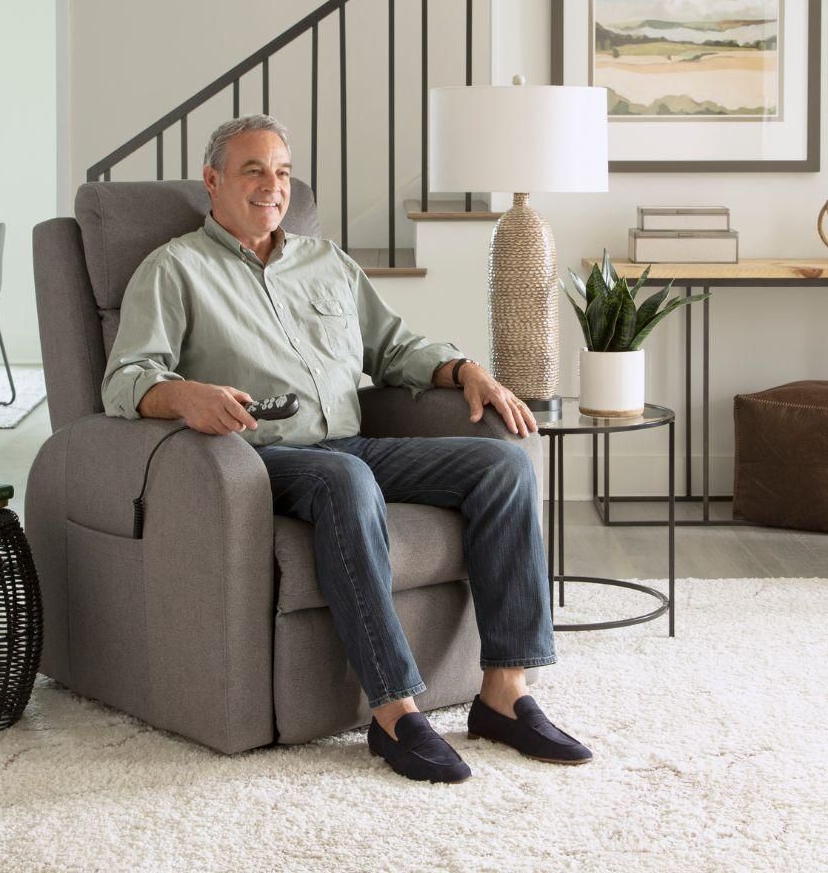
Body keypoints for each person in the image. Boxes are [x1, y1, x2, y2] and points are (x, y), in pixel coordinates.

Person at [102, 114, 591, 784]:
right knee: (344, 478)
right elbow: (126, 379)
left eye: (281, 171)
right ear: (212, 182)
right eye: (252, 171)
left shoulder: (325, 261)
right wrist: (185, 395)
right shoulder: (176, 269)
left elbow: (391, 347)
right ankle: (395, 711)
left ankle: (505, 692)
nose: (272, 187)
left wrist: (462, 370)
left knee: (502, 464)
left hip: (352, 442)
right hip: (259, 459)